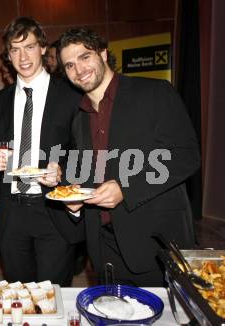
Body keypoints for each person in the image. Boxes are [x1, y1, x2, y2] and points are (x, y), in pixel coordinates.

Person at [57, 27, 201, 286]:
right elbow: (89, 174)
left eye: (84, 57)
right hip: (103, 248)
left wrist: (126, 188)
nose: (78, 70)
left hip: (153, 242)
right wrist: (74, 196)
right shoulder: (79, 118)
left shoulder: (154, 93)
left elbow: (186, 155)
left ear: (102, 53)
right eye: (69, 65)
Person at [0, 17, 84, 286]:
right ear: (8, 55)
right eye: (14, 50)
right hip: (11, 214)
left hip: (53, 209)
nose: (22, 56)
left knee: (54, 298)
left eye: (28, 47)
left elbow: (86, 152)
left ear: (42, 47)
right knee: (19, 296)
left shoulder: (71, 95)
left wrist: (63, 171)